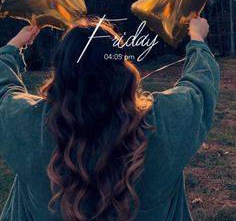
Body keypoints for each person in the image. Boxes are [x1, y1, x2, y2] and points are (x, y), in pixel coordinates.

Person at [0, 15, 220, 221]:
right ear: (122, 68)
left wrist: (13, 46)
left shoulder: (27, 123)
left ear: (61, 69)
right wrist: (197, 39)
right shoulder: (163, 121)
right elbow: (199, 87)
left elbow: (3, 89)